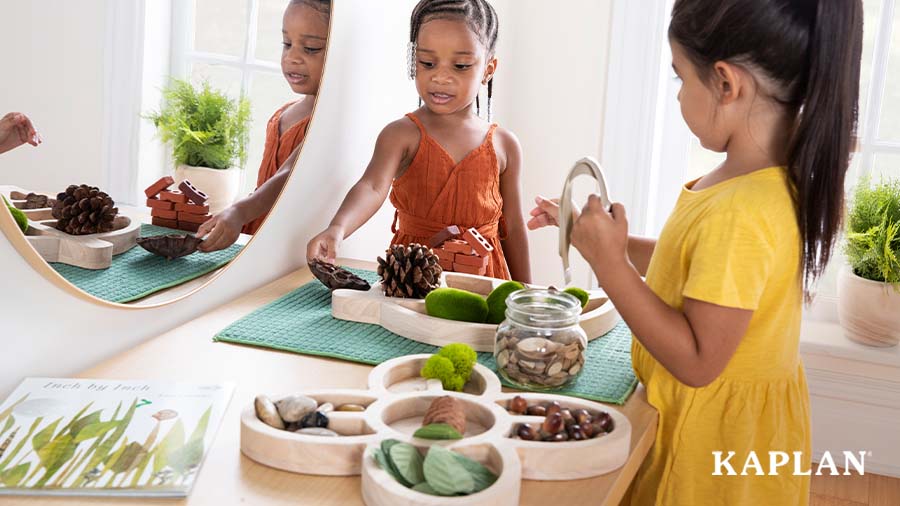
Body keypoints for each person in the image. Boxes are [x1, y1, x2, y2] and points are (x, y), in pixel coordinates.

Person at [529, 0, 862, 503]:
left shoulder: (742, 209)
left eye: (680, 77)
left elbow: (698, 360)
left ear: (726, 83)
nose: (680, 93)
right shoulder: (760, 178)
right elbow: (694, 268)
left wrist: (609, 265)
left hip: (710, 448)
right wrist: (593, 237)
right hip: (732, 429)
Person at [306, 0, 531, 282]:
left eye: (460, 65)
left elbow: (513, 226)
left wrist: (527, 293)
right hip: (414, 280)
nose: (440, 76)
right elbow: (372, 187)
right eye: (427, 63)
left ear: (488, 69)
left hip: (485, 281)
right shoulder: (401, 134)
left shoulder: (505, 145)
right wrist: (337, 228)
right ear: (414, 61)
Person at [198, 0, 329, 252]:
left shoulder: (327, 122)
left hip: (287, 248)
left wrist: (240, 210)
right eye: (287, 44)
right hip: (255, 235)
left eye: (311, 48)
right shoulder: (284, 113)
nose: (292, 57)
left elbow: (290, 173)